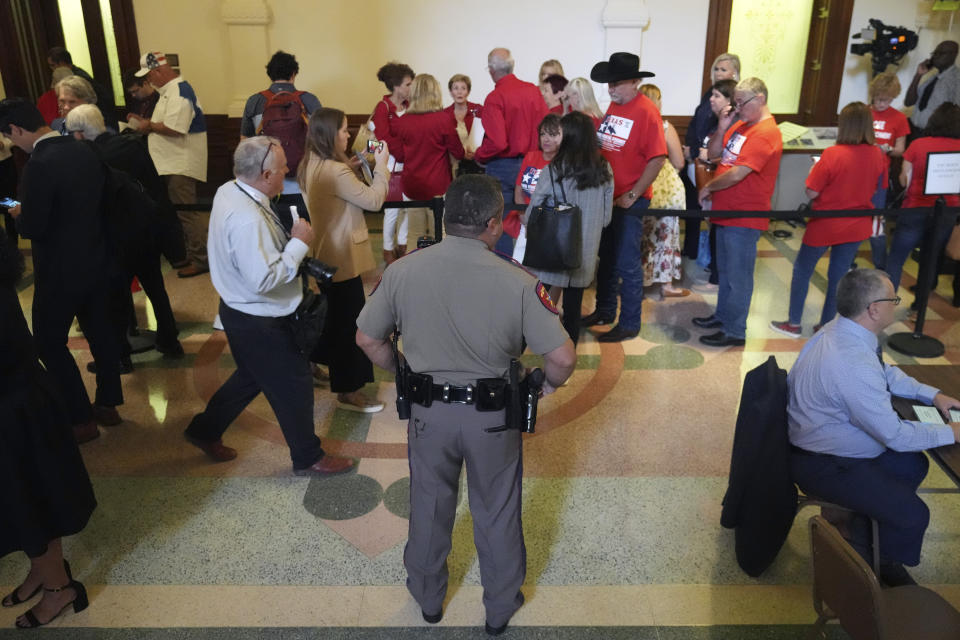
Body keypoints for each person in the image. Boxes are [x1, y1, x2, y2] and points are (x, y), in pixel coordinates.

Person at [355, 174, 576, 636]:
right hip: (493, 419)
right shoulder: (518, 281)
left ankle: (428, 597)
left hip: (427, 415)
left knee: (430, 502)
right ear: (494, 224)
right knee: (496, 508)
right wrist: (548, 387)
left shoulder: (402, 271)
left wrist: (401, 371)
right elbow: (561, 357)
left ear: (444, 217)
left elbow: (367, 338)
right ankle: (498, 608)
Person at [184, 136, 356, 476]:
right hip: (261, 318)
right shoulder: (248, 219)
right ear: (264, 174)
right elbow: (263, 279)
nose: (287, 171)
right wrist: (298, 244)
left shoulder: (229, 190)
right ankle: (308, 456)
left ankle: (204, 430)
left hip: (240, 313)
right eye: (281, 169)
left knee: (250, 377)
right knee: (295, 385)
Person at [788, 268, 960, 587]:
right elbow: (894, 434)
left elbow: (883, 373)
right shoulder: (851, 362)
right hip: (822, 461)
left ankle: (865, 531)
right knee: (913, 516)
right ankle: (878, 571)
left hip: (823, 439)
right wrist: (952, 432)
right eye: (893, 298)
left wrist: (932, 394)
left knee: (913, 465)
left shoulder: (841, 330)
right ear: (874, 309)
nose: (897, 304)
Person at [0, 98, 124, 444]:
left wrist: (17, 214)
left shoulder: (39, 164)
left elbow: (34, 227)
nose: (13, 144)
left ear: (15, 129)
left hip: (59, 270)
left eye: (10, 137)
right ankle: (109, 404)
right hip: (97, 258)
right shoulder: (83, 149)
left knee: (48, 342)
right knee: (101, 332)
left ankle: (80, 416)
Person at [0, 226, 94, 628]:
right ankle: (44, 570)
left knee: (29, 501)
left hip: (14, 405)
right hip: (17, 398)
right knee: (27, 502)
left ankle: (60, 589)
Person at [66, 104, 185, 360]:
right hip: (146, 231)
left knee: (116, 298)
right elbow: (154, 186)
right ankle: (170, 342)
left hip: (114, 239)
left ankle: (121, 356)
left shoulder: (89, 158)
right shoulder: (131, 145)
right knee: (156, 288)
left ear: (78, 133)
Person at [769, 102, 886, 338]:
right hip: (856, 223)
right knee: (838, 276)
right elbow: (878, 188)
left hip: (826, 223)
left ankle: (793, 323)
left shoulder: (833, 154)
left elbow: (811, 192)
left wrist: (816, 168)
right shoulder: (878, 154)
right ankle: (824, 325)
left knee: (803, 269)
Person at [300, 108, 387, 413]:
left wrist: (351, 166)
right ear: (328, 135)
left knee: (334, 319)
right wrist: (383, 167)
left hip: (325, 254)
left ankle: (309, 360)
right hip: (342, 258)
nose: (348, 135)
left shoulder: (312, 163)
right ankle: (349, 391)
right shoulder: (335, 172)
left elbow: (334, 192)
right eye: (344, 130)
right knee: (349, 325)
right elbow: (374, 200)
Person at [581, 52, 666, 343]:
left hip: (630, 199)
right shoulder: (615, 108)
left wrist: (633, 193)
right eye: (609, 84)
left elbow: (657, 158)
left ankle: (629, 323)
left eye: (616, 83)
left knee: (627, 262)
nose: (610, 89)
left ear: (634, 82)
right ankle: (605, 310)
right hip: (609, 197)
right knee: (607, 258)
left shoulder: (646, 111)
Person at [694, 77, 782, 347]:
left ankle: (735, 330)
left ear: (761, 99)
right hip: (726, 211)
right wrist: (722, 127)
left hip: (745, 215)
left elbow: (737, 174)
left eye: (742, 102)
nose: (738, 107)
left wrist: (708, 188)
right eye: (737, 102)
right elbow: (714, 153)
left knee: (739, 276)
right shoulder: (742, 125)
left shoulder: (766, 132)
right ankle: (723, 316)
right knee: (726, 272)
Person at [524, 112, 613, 343]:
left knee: (539, 305)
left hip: (553, 250)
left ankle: (521, 353)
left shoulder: (553, 170)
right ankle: (566, 363)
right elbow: (606, 219)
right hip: (584, 255)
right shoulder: (604, 169)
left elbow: (533, 212)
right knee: (573, 314)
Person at [128, 51, 209, 279]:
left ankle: (201, 259)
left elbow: (176, 128)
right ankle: (193, 255)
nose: (149, 81)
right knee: (182, 211)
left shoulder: (179, 91)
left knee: (187, 212)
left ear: (159, 71)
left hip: (180, 162)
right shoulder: (170, 91)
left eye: (149, 76)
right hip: (172, 162)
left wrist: (148, 126)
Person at [475, 48, 548, 255]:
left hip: (503, 166)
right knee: (535, 216)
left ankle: (505, 269)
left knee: (502, 222)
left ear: (491, 70)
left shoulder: (495, 97)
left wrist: (480, 156)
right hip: (533, 162)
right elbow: (546, 128)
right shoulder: (533, 91)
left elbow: (498, 142)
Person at [240, 50, 322, 231]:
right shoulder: (309, 100)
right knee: (305, 238)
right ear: (294, 74)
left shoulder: (255, 101)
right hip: (305, 185)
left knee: (275, 237)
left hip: (268, 185)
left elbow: (245, 143)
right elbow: (323, 140)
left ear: (270, 74)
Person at [884, 102, 960, 295]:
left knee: (897, 256)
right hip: (948, 209)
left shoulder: (918, 145)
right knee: (931, 256)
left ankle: (888, 300)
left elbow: (903, 180)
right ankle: (920, 303)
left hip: (915, 207)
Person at [682, 53, 740, 263]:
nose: (718, 73)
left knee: (713, 216)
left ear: (734, 73)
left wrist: (696, 152)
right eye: (716, 69)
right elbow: (696, 122)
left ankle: (714, 267)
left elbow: (718, 134)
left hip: (713, 164)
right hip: (696, 160)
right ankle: (692, 251)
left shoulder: (732, 102)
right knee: (693, 208)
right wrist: (690, 150)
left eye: (723, 69)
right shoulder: (710, 94)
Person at [392, 74, 464, 242]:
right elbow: (458, 152)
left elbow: (401, 156)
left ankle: (413, 267)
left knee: (414, 234)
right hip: (438, 185)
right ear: (435, 93)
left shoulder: (403, 121)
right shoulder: (444, 119)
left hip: (411, 185)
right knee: (440, 233)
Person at [639, 84, 689, 299]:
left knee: (641, 235)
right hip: (666, 188)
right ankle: (665, 284)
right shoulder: (665, 126)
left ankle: (638, 281)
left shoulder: (636, 125)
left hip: (641, 183)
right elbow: (679, 161)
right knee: (666, 234)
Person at [370, 62, 414, 263]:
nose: (410, 88)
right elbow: (383, 137)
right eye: (407, 84)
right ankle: (388, 249)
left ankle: (402, 245)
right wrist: (406, 153)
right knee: (392, 209)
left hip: (407, 162)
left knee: (407, 207)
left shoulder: (408, 106)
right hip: (391, 164)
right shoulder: (383, 107)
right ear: (396, 86)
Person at [867, 72, 909, 269]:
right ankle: (848, 262)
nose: (880, 103)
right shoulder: (865, 113)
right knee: (851, 215)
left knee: (877, 220)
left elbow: (901, 150)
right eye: (877, 98)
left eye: (885, 100)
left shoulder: (899, 118)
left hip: (881, 173)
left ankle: (880, 265)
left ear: (893, 98)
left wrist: (888, 149)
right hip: (860, 170)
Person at [46, 46, 118, 130]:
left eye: (52, 65)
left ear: (62, 63)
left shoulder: (77, 79)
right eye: (62, 101)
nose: (65, 107)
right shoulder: (76, 73)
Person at [904, 41, 960, 137]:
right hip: (914, 130)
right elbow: (909, 102)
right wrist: (918, 75)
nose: (935, 56)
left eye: (940, 53)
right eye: (934, 53)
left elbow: (956, 114)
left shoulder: (956, 79)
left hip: (934, 136)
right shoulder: (932, 77)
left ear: (953, 55)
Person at [444, 73, 482, 175]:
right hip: (452, 165)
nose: (459, 92)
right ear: (451, 92)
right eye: (455, 88)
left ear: (468, 92)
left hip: (476, 162)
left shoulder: (478, 110)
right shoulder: (444, 114)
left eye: (463, 88)